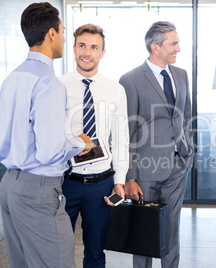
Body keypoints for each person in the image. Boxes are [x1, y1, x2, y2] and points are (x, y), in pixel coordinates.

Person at [0, 2, 92, 268]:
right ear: (52, 34)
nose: (65, 37)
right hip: (38, 191)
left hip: (9, 186)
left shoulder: (13, 78)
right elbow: (49, 151)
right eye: (63, 30)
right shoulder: (48, 83)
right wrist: (79, 143)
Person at [119, 21, 194, 268]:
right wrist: (130, 177)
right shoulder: (130, 80)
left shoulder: (181, 75)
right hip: (145, 172)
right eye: (173, 43)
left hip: (177, 167)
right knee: (144, 233)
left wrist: (188, 152)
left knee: (172, 231)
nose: (178, 48)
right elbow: (127, 132)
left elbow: (187, 116)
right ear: (155, 47)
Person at [60, 24, 129, 267]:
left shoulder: (116, 90)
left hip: (102, 184)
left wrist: (119, 180)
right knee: (58, 252)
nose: (87, 52)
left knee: (96, 254)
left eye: (94, 47)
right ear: (74, 48)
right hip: (65, 182)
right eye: (82, 45)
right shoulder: (58, 86)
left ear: (102, 52)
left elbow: (121, 138)